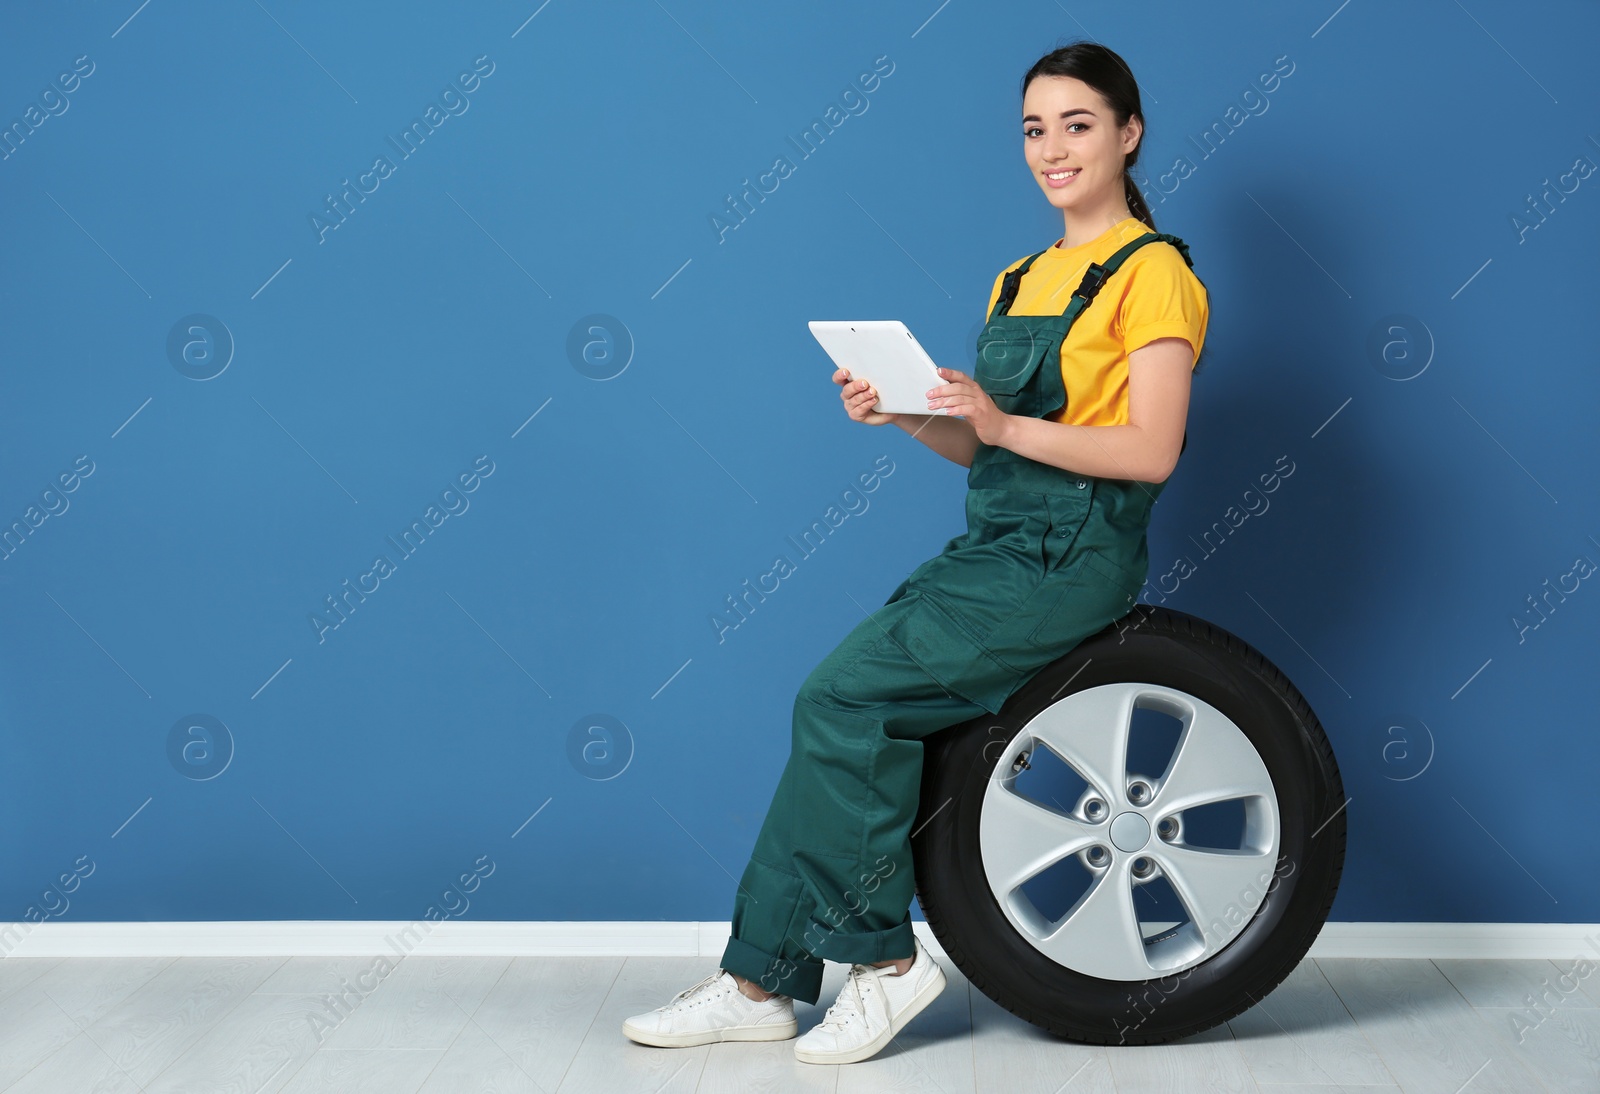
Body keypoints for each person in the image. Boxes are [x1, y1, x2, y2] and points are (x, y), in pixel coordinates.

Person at [622, 39, 1208, 1065]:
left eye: (1077, 124)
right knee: (835, 708)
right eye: (1034, 129)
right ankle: (760, 977)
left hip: (1072, 558)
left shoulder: (1155, 275)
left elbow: (1152, 450)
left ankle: (886, 966)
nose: (1052, 148)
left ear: (1129, 133)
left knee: (842, 699)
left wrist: (1001, 422)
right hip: (993, 547)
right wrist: (901, 412)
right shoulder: (1021, 273)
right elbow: (976, 441)